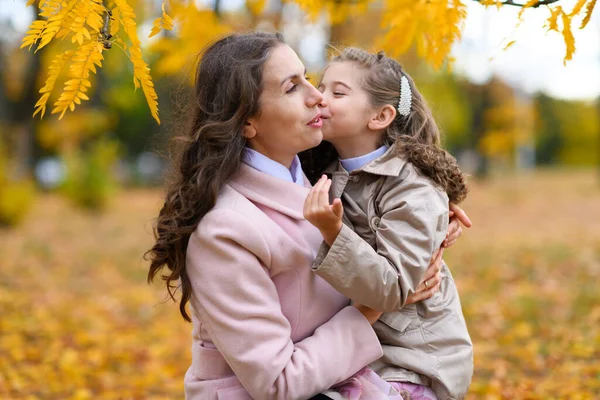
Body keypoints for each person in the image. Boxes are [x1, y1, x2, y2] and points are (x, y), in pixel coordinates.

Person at [146, 32, 467, 399]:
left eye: (308, 79)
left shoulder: (317, 174)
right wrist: (370, 309)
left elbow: (380, 191)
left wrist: (435, 211)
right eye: (291, 88)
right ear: (248, 121)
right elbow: (278, 383)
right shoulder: (224, 232)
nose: (317, 97)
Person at [302, 48, 474, 400]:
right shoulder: (323, 167)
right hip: (358, 352)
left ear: (380, 116)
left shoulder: (414, 189)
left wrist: (333, 233)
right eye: (322, 87)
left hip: (412, 361)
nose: (320, 97)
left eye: (338, 92)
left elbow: (392, 289)